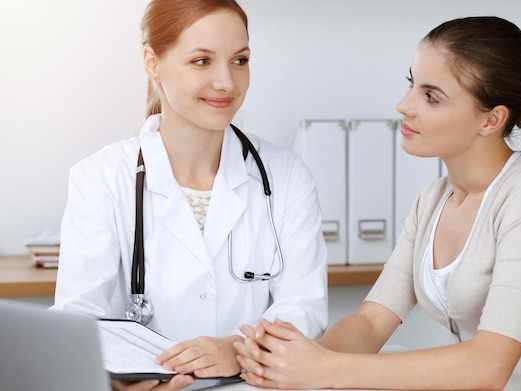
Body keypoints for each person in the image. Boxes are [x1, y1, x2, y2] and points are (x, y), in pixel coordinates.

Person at [234, 16, 521, 391]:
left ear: (491, 119)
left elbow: (488, 366)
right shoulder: (434, 200)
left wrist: (326, 370)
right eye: (412, 83)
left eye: (431, 96)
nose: (404, 105)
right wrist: (285, 365)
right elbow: (372, 322)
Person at [51, 0, 328, 390]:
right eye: (201, 61)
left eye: (240, 60)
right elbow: (78, 318)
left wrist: (238, 347)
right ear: (152, 63)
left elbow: (304, 308)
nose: (227, 82)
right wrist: (113, 377)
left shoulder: (285, 176)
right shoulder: (100, 178)